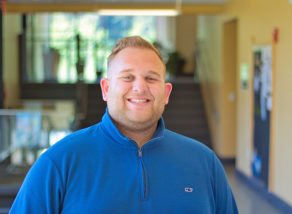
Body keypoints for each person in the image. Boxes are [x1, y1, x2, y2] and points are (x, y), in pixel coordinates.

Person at [10, 36, 238, 214]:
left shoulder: (204, 163)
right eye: (127, 77)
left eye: (151, 78)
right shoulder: (59, 162)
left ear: (166, 92)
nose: (139, 87)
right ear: (106, 89)